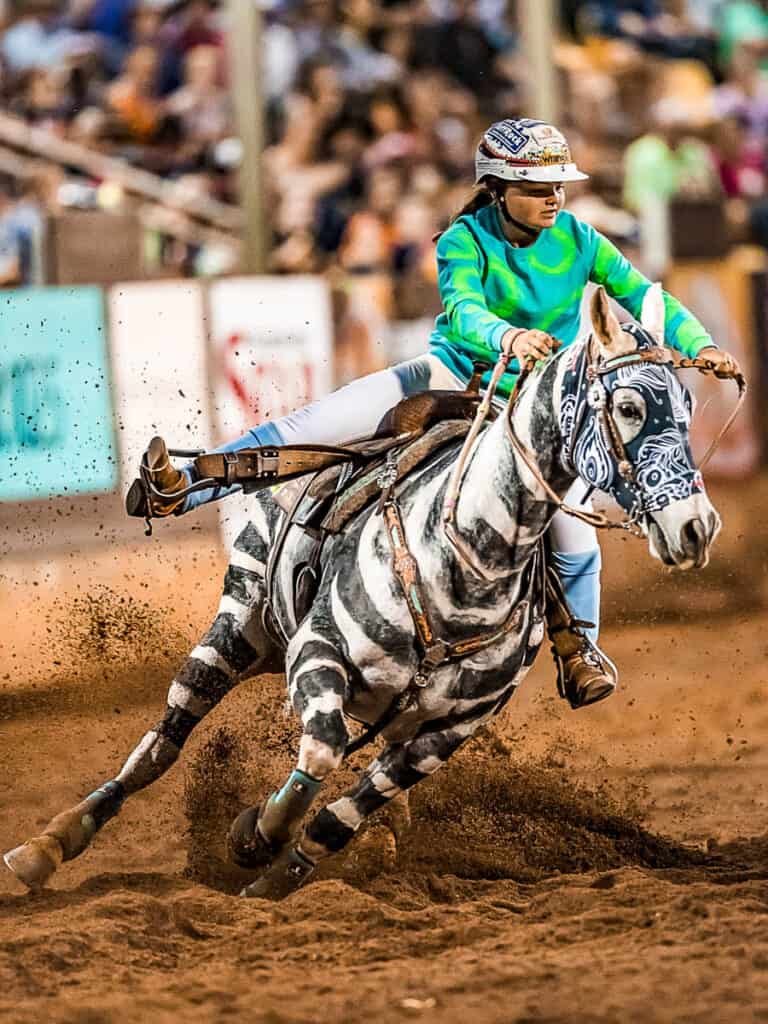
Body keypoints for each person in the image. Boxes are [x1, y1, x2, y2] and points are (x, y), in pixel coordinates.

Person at [143, 117, 738, 711]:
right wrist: (508, 338)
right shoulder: (463, 239)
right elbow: (463, 309)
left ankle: (578, 647)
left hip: (533, 411)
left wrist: (700, 345)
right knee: (319, 425)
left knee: (573, 530)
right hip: (451, 376)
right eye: (536, 188)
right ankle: (186, 484)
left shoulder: (583, 240)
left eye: (558, 186)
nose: (553, 197)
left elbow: (646, 298)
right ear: (499, 188)